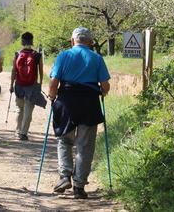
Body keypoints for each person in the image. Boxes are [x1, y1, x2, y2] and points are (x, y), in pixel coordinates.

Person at [48, 27, 111, 199]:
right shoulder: (97, 58)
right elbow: (105, 86)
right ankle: (79, 186)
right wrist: (102, 92)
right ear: (90, 43)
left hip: (66, 101)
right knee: (85, 146)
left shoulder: (63, 56)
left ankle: (64, 176)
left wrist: (52, 97)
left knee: (64, 140)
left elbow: (54, 83)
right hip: (89, 104)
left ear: (72, 41)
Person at [10, 32, 45, 141]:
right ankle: (23, 133)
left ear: (22, 41)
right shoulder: (37, 55)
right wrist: (40, 84)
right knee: (28, 110)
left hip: (19, 85)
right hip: (31, 85)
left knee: (19, 109)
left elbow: (13, 71)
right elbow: (41, 71)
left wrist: (11, 84)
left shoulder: (17, 54)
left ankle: (18, 130)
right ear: (32, 41)